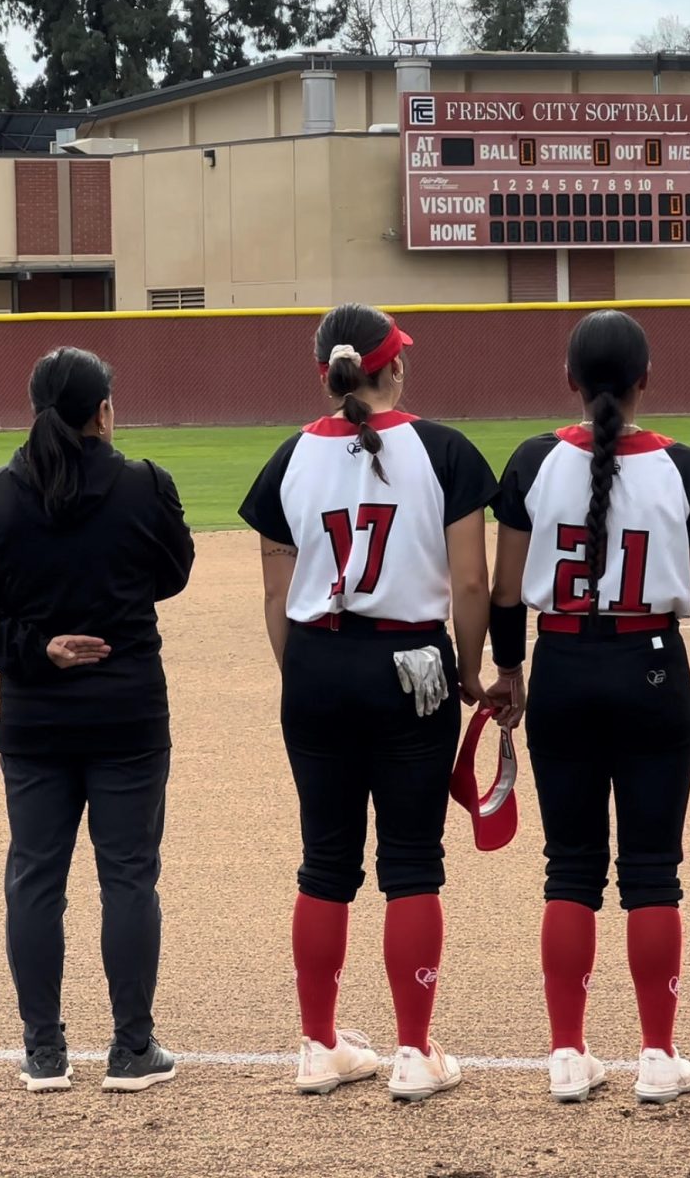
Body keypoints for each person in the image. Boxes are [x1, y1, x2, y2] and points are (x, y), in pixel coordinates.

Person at [239, 303, 496, 1102]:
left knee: (325, 859)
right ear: (395, 368)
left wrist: (305, 674)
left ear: (325, 373)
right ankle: (414, 1052)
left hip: (316, 660)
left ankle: (319, 1045)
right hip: (410, 660)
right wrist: (466, 669)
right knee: (412, 861)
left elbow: (279, 591)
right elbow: (469, 583)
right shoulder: (443, 450)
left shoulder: (289, 458)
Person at [487, 310, 690, 1104]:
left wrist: (512, 668)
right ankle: (657, 1059)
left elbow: (501, 590)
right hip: (652, 666)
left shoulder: (531, 461)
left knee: (570, 871)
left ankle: (567, 1055)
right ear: (643, 382)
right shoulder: (684, 466)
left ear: (568, 381)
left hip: (559, 662)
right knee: (652, 873)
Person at [0, 347, 194, 1094]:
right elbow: (173, 574)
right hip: (128, 712)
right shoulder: (142, 485)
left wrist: (37, 647)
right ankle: (131, 1050)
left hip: (35, 717)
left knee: (34, 880)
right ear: (102, 411)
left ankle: (44, 1052)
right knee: (129, 878)